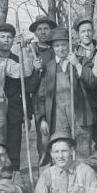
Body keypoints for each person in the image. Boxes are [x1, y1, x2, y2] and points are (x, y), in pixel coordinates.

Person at [36, 28, 97, 159]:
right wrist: (42, 118)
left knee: (83, 154)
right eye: (57, 46)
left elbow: (92, 82)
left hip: (81, 115)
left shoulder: (82, 61)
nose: (61, 49)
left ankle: (82, 179)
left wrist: (76, 64)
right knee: (62, 153)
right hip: (57, 118)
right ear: (53, 48)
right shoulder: (48, 67)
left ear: (69, 45)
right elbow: (41, 95)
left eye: (64, 45)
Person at [0, 23, 42, 170]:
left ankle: (13, 182)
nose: (6, 40)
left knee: (14, 151)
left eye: (9, 37)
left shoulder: (19, 60)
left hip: (15, 113)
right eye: (2, 36)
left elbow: (27, 88)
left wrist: (27, 116)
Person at [74, 17, 97, 149]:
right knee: (83, 143)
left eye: (89, 30)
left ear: (93, 32)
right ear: (78, 34)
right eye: (83, 31)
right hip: (83, 103)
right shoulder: (74, 52)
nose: (86, 34)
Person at [29, 15, 58, 157]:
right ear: (35, 33)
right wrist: (35, 70)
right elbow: (29, 87)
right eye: (39, 29)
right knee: (44, 142)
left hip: (59, 100)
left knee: (60, 140)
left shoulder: (57, 49)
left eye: (46, 28)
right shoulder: (31, 52)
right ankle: (45, 175)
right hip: (41, 104)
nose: (43, 32)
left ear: (51, 30)